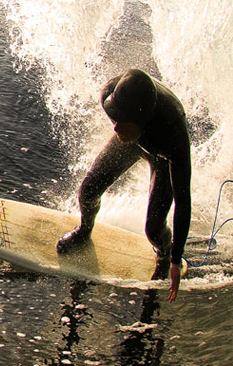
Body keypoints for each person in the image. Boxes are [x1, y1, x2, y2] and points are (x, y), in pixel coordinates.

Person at [56, 69, 191, 302]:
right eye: (113, 117)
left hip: (161, 157)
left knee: (153, 228)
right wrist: (124, 124)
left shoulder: (173, 135)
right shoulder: (111, 94)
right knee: (88, 191)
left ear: (140, 121)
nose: (113, 127)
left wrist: (177, 260)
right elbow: (121, 123)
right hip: (133, 139)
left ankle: (164, 253)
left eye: (120, 121)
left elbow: (183, 200)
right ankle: (84, 231)